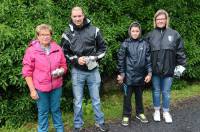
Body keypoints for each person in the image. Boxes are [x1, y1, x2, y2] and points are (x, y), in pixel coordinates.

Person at [61, 7, 108, 132]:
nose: (77, 18)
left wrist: (94, 58)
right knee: (77, 101)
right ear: (71, 17)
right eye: (74, 16)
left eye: (79, 16)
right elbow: (65, 53)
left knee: (96, 99)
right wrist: (76, 60)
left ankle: (100, 122)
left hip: (93, 70)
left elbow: (103, 49)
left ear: (83, 16)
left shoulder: (94, 30)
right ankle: (78, 126)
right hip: (77, 71)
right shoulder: (67, 33)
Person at [22, 24, 67, 132]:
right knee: (43, 112)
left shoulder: (57, 48)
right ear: (38, 36)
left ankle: (60, 130)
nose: (45, 37)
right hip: (41, 88)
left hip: (56, 86)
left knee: (56, 110)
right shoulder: (31, 51)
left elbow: (64, 65)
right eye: (42, 35)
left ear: (51, 35)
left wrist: (61, 71)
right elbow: (27, 72)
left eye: (47, 34)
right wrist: (32, 90)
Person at [145, 9, 186, 123]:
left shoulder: (174, 34)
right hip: (154, 71)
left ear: (166, 20)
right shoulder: (150, 35)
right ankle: (157, 111)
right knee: (156, 91)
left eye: (162, 19)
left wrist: (181, 67)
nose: (160, 21)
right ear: (155, 21)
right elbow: (146, 54)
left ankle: (166, 112)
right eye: (158, 19)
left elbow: (180, 51)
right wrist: (147, 70)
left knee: (166, 92)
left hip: (169, 70)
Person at [117, 21, 152, 126]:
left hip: (141, 77)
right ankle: (126, 115)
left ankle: (140, 113)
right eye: (133, 31)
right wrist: (122, 74)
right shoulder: (125, 44)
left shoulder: (145, 44)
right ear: (130, 32)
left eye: (137, 31)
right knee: (127, 98)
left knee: (139, 97)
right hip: (128, 77)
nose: (135, 33)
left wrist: (149, 73)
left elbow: (148, 61)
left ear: (140, 32)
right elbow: (120, 60)